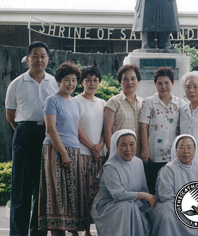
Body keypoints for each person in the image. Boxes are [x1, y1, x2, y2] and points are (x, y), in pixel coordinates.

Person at [5, 41, 58, 236]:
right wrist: (23, 132)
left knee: (43, 190)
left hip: (48, 135)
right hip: (24, 133)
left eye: (42, 56)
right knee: (21, 189)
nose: (39, 60)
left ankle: (38, 233)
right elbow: (10, 115)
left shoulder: (54, 82)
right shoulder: (16, 84)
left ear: (48, 59)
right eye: (34, 56)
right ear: (27, 59)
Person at [38, 62, 96, 235]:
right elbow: (51, 129)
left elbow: (77, 130)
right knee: (58, 194)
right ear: (59, 81)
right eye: (66, 80)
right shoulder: (52, 100)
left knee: (75, 193)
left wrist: (92, 147)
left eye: (73, 80)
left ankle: (73, 229)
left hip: (74, 151)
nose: (70, 84)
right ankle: (57, 231)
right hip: (55, 150)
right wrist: (63, 153)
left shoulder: (76, 103)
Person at [91, 130, 155, 236]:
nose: (128, 149)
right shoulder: (110, 166)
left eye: (131, 144)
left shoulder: (138, 162)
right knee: (127, 206)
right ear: (116, 146)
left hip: (132, 204)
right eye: (123, 145)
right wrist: (143, 196)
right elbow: (118, 195)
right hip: (108, 206)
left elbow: (143, 188)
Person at [149, 134, 198, 236]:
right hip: (173, 207)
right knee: (167, 210)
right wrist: (190, 206)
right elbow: (165, 196)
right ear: (175, 150)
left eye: (189, 147)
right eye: (181, 147)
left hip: (196, 208)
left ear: (195, 150)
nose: (186, 151)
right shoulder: (168, 169)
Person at [139, 67, 186, 194]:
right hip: (153, 154)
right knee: (153, 187)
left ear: (173, 83)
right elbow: (143, 126)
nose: (163, 86)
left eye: (166, 83)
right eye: (159, 83)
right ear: (155, 84)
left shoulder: (180, 103)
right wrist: (145, 149)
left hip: (173, 154)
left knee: (171, 188)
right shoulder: (149, 102)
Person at [74, 66, 106, 236]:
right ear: (82, 82)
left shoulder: (102, 103)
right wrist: (92, 147)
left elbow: (105, 128)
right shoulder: (75, 101)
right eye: (88, 80)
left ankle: (89, 231)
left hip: (97, 156)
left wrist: (100, 145)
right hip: (81, 154)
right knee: (81, 193)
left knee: (95, 194)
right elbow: (77, 128)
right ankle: (77, 231)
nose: (92, 83)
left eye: (95, 80)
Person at [104, 64, 143, 157]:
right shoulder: (113, 102)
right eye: (125, 79)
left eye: (133, 79)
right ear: (120, 82)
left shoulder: (143, 103)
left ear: (138, 81)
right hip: (118, 154)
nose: (129, 82)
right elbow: (107, 130)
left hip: (137, 155)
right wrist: (111, 152)